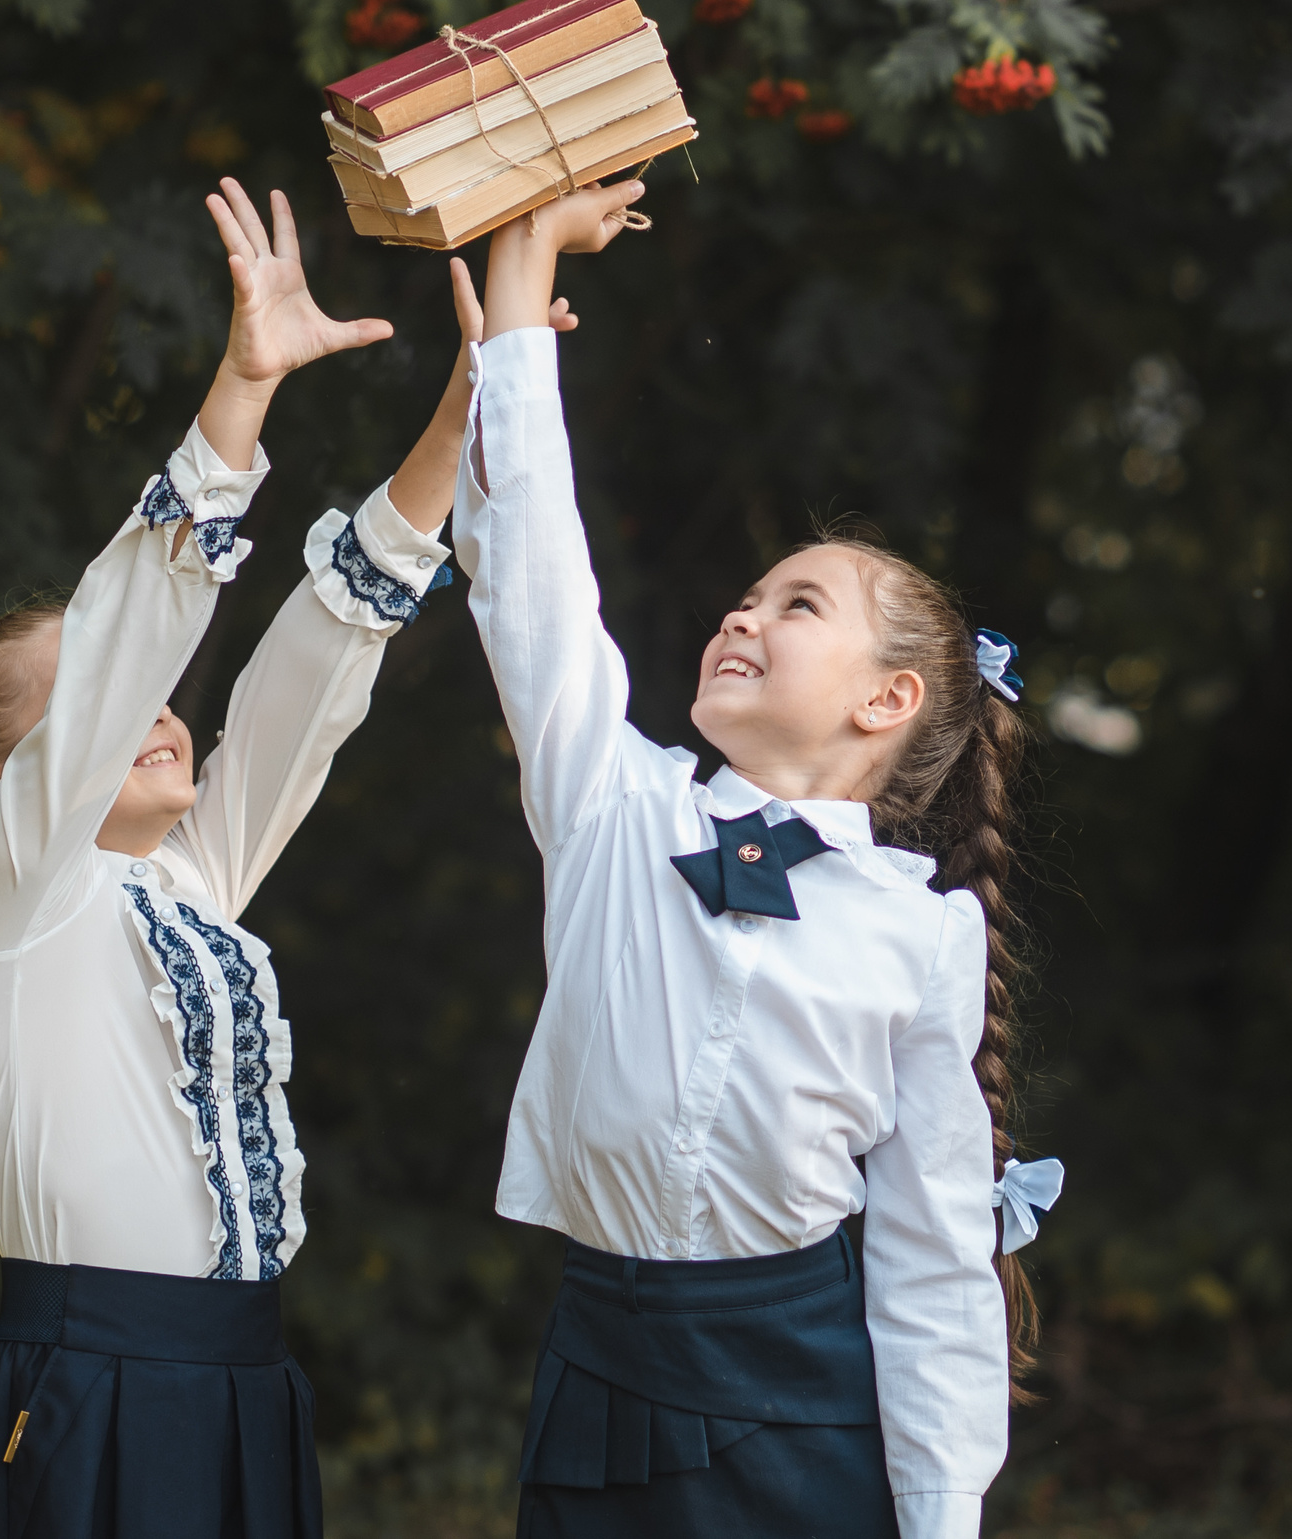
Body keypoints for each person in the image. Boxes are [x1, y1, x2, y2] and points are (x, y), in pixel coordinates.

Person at [0, 180, 528, 1539]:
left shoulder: (180, 887)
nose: (162, 709)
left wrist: (469, 401)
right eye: (105, 708)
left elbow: (317, 669)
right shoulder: (5, 895)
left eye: (166, 695)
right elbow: (119, 646)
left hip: (237, 1382)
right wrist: (242, 387)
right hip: (94, 1391)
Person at [447, 180, 1063, 1539]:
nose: (744, 612)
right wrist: (518, 303)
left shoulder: (922, 935)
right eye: (746, 594)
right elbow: (533, 579)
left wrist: (941, 1514)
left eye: (798, 604)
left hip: (802, 1401)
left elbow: (930, 1249)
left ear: (885, 702)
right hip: (602, 1373)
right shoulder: (616, 804)